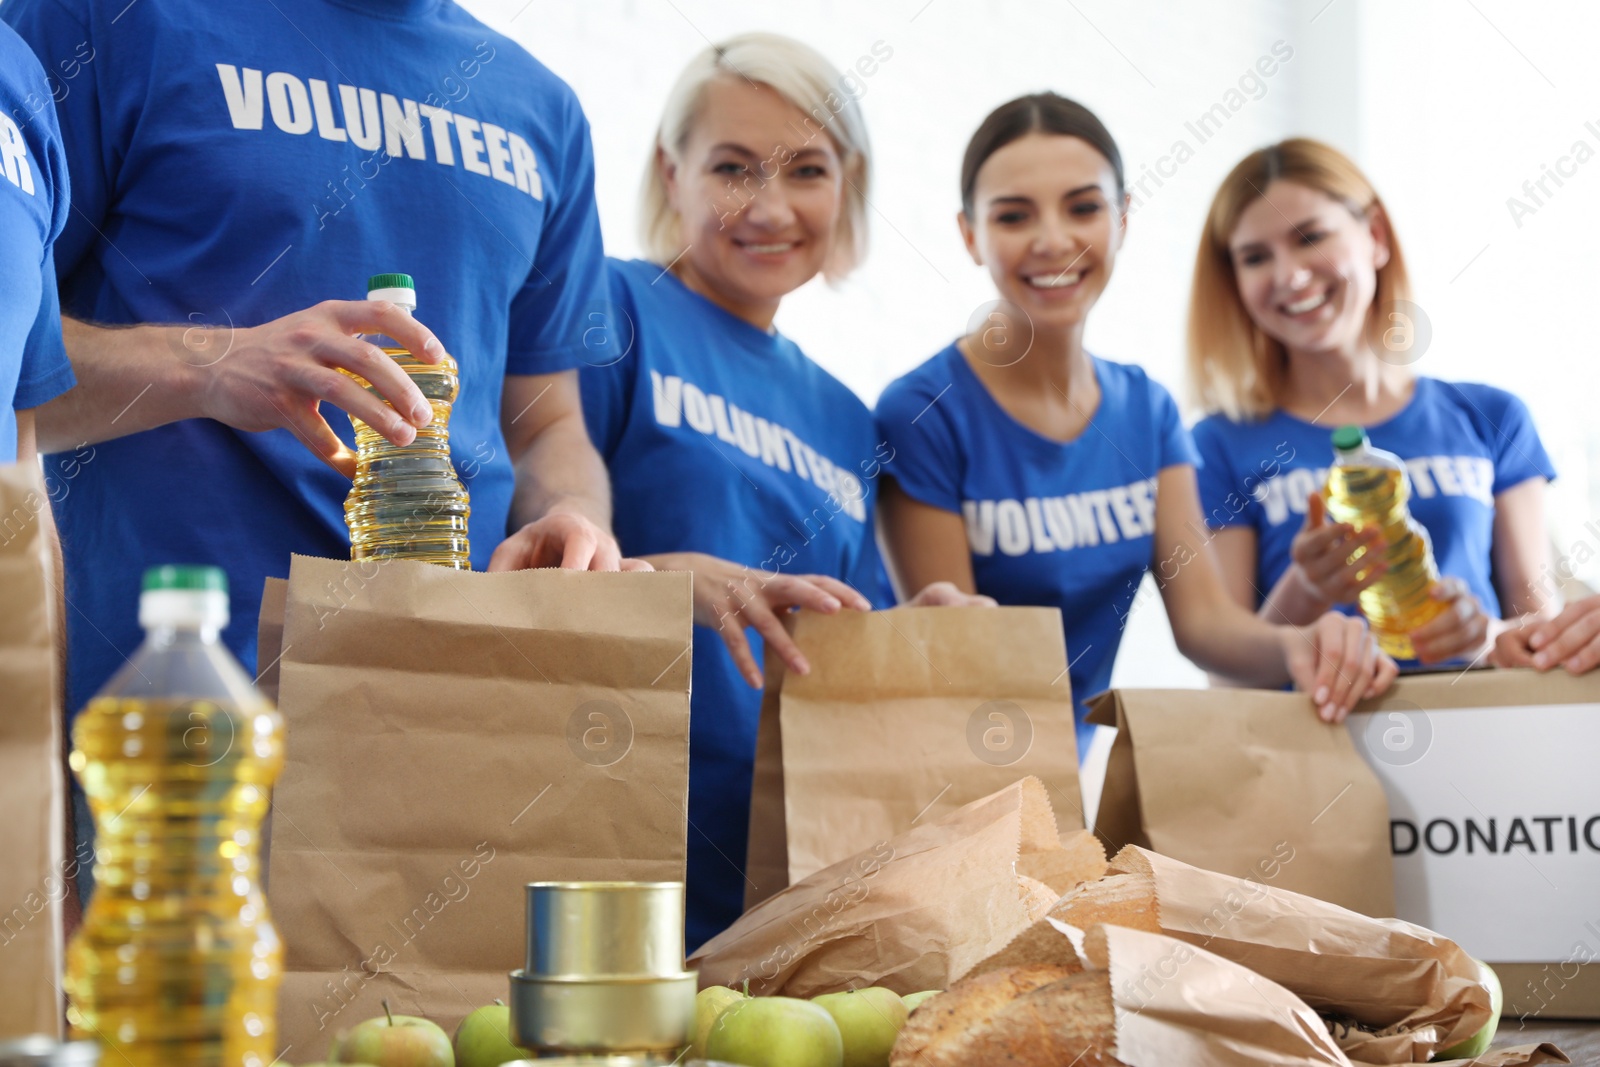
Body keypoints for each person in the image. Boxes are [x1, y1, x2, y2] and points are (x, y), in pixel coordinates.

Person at [5, 0, 631, 897]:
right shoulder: (108, 19)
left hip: (448, 718)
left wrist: (576, 517)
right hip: (170, 719)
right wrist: (211, 363)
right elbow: (10, 360)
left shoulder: (543, 108)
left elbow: (548, 426)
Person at [582, 33, 980, 951]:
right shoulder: (609, 310)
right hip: (599, 847)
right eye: (732, 168)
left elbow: (833, 643)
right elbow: (518, 557)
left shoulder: (845, 417)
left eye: (806, 169)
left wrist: (916, 623)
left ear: (847, 189)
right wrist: (670, 575)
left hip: (779, 886)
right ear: (669, 172)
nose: (770, 206)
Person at [875, 94, 1397, 761]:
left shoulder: (1145, 410)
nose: (1053, 239)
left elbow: (1205, 622)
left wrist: (1298, 643)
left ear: (1122, 219)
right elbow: (959, 665)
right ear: (970, 234)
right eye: (1013, 215)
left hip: (1058, 793)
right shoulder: (923, 413)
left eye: (1084, 207)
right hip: (945, 781)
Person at [1187, 138, 1556, 671]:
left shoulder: (1493, 418)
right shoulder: (1216, 445)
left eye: (1310, 237)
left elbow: (1540, 628)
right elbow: (1230, 673)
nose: (1289, 275)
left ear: (1375, 237)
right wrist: (1307, 589)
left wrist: (1483, 637)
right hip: (1315, 745)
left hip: (1486, 733)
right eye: (1255, 257)